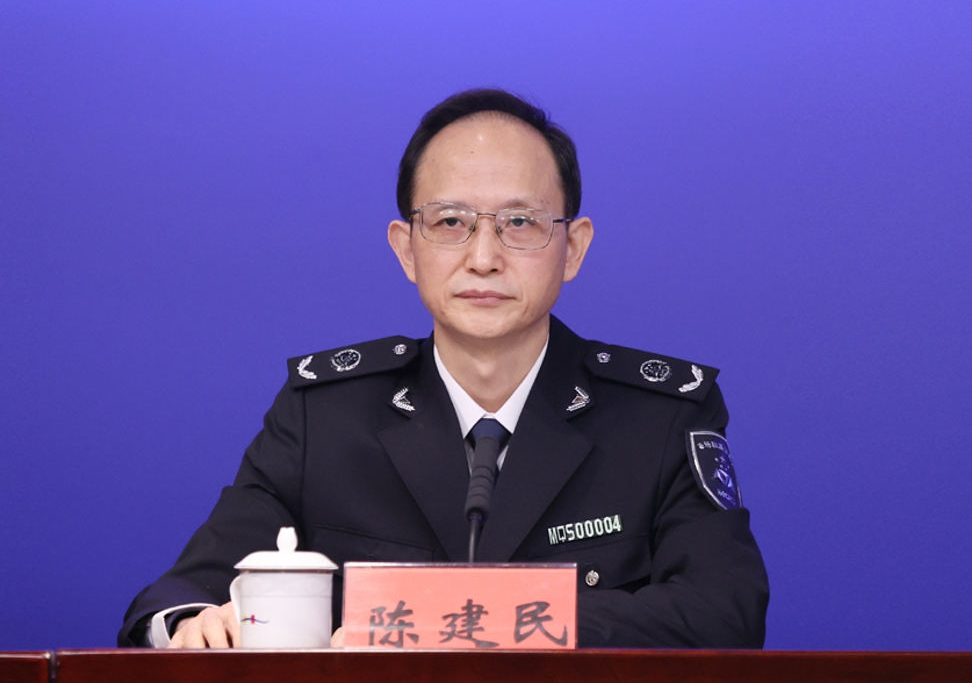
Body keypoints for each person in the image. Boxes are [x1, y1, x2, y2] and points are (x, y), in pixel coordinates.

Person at [119, 88, 769, 649]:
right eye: (451, 221)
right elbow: (179, 594)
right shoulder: (325, 416)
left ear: (572, 248)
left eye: (520, 222)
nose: (483, 257)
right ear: (406, 248)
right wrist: (192, 626)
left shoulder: (659, 418)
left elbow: (725, 611)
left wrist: (461, 625)